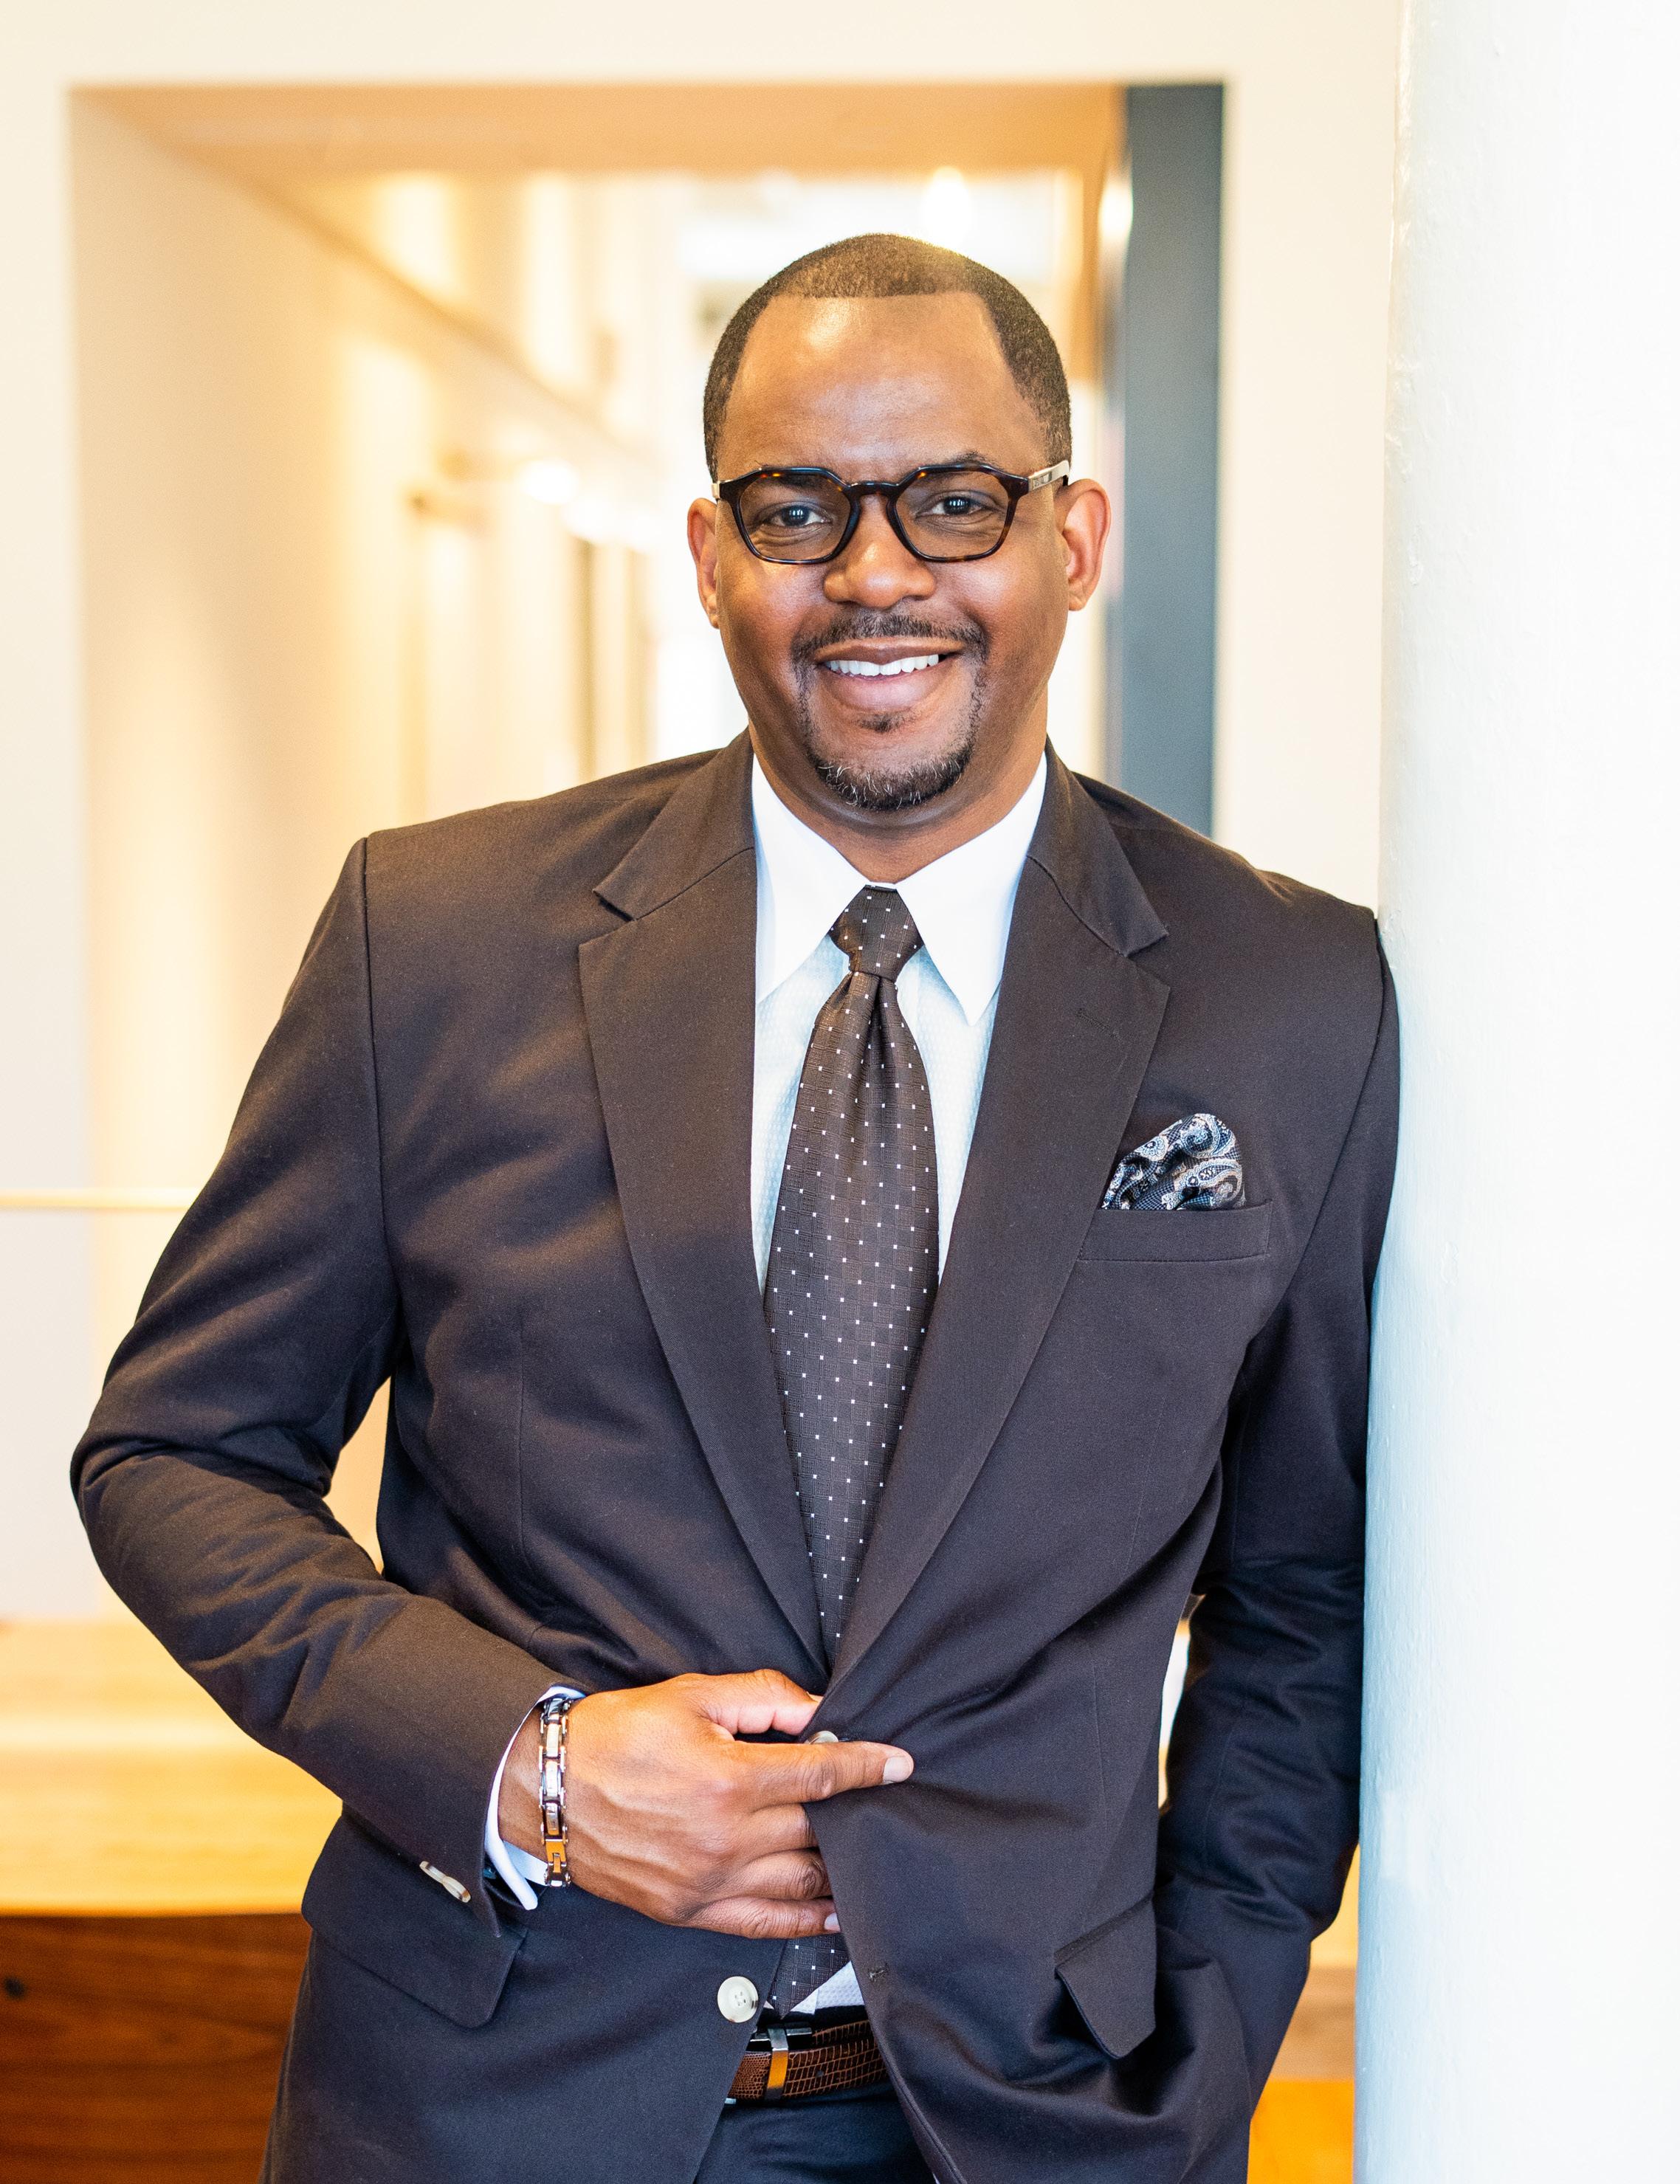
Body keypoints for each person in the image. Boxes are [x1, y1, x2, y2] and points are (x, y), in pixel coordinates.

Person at [73, 234, 1398, 2184]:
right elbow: (177, 1455)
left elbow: (1307, 1594)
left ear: (1072, 536)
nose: (875, 573)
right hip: (492, 2111)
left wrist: (1197, 2062)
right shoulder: (433, 942)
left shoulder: (1288, 997)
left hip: (1033, 2122)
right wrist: (519, 1760)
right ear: (708, 553)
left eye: (954, 502)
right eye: (798, 509)